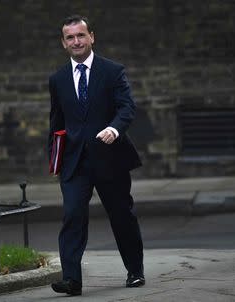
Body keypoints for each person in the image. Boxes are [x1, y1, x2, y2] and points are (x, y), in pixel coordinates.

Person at [48, 15, 145, 296]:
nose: (76, 41)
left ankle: (135, 271)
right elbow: (56, 121)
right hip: (74, 161)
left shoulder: (112, 71)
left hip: (110, 158)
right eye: (70, 37)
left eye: (81, 35)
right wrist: (54, 157)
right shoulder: (58, 79)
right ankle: (72, 280)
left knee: (121, 215)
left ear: (92, 36)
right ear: (63, 43)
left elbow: (127, 107)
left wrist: (115, 129)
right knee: (72, 215)